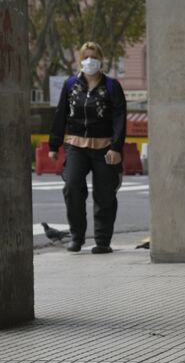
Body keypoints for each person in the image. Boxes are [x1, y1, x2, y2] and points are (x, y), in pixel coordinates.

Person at [48, 41, 128, 254]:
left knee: (104, 195)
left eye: (93, 56)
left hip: (105, 148)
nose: (89, 61)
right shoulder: (70, 84)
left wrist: (116, 147)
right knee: (72, 187)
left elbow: (120, 118)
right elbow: (61, 113)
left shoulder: (112, 86)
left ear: (100, 59)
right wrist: (54, 144)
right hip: (76, 145)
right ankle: (76, 237)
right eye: (85, 57)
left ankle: (102, 241)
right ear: (80, 60)